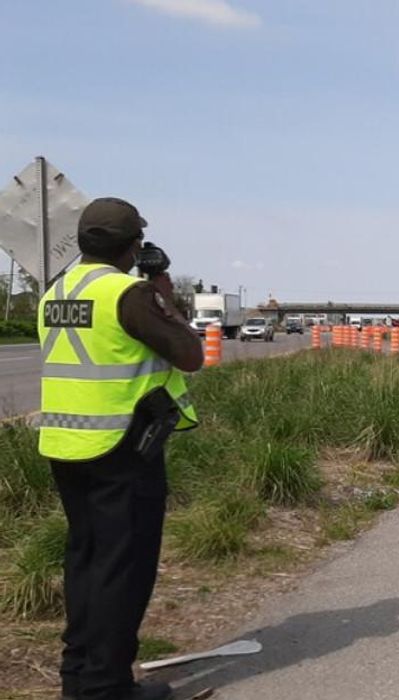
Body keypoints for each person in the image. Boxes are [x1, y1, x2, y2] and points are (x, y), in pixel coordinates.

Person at [38, 198, 203, 700]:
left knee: (86, 560)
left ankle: (78, 677)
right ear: (132, 247)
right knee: (122, 569)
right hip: (123, 449)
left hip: (66, 443)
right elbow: (190, 355)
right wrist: (164, 298)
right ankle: (107, 686)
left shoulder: (55, 293)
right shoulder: (129, 294)